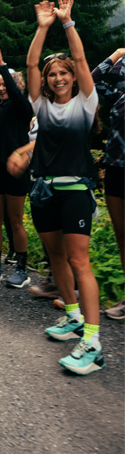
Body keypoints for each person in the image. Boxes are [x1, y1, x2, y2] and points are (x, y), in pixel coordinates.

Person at [27, 0, 104, 374]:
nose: (58, 77)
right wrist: (42, 29)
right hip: (44, 189)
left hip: (75, 189)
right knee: (56, 258)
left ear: (73, 78)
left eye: (63, 73)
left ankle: (92, 341)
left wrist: (67, 23)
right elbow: (29, 63)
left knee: (79, 261)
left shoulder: (85, 104)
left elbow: (82, 59)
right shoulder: (40, 106)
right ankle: (72, 316)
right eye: (52, 73)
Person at [0, 44, 33, 287]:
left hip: (15, 169)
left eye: (6, 83)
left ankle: (21, 268)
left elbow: (14, 90)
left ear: (18, 85)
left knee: (15, 219)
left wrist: (1, 65)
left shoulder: (23, 107)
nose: (1, 87)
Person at [92, 48, 125, 318]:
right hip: (114, 169)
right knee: (122, 236)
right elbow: (92, 81)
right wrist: (116, 54)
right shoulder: (118, 98)